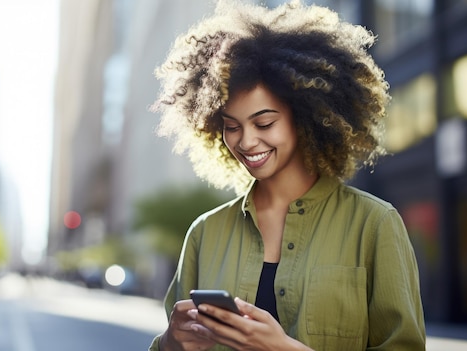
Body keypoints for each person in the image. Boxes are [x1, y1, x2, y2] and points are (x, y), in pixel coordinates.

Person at [148, 1, 426, 350]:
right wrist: (173, 342)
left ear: (307, 116)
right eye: (231, 126)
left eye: (264, 122)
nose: (246, 141)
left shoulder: (374, 223)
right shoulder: (205, 232)